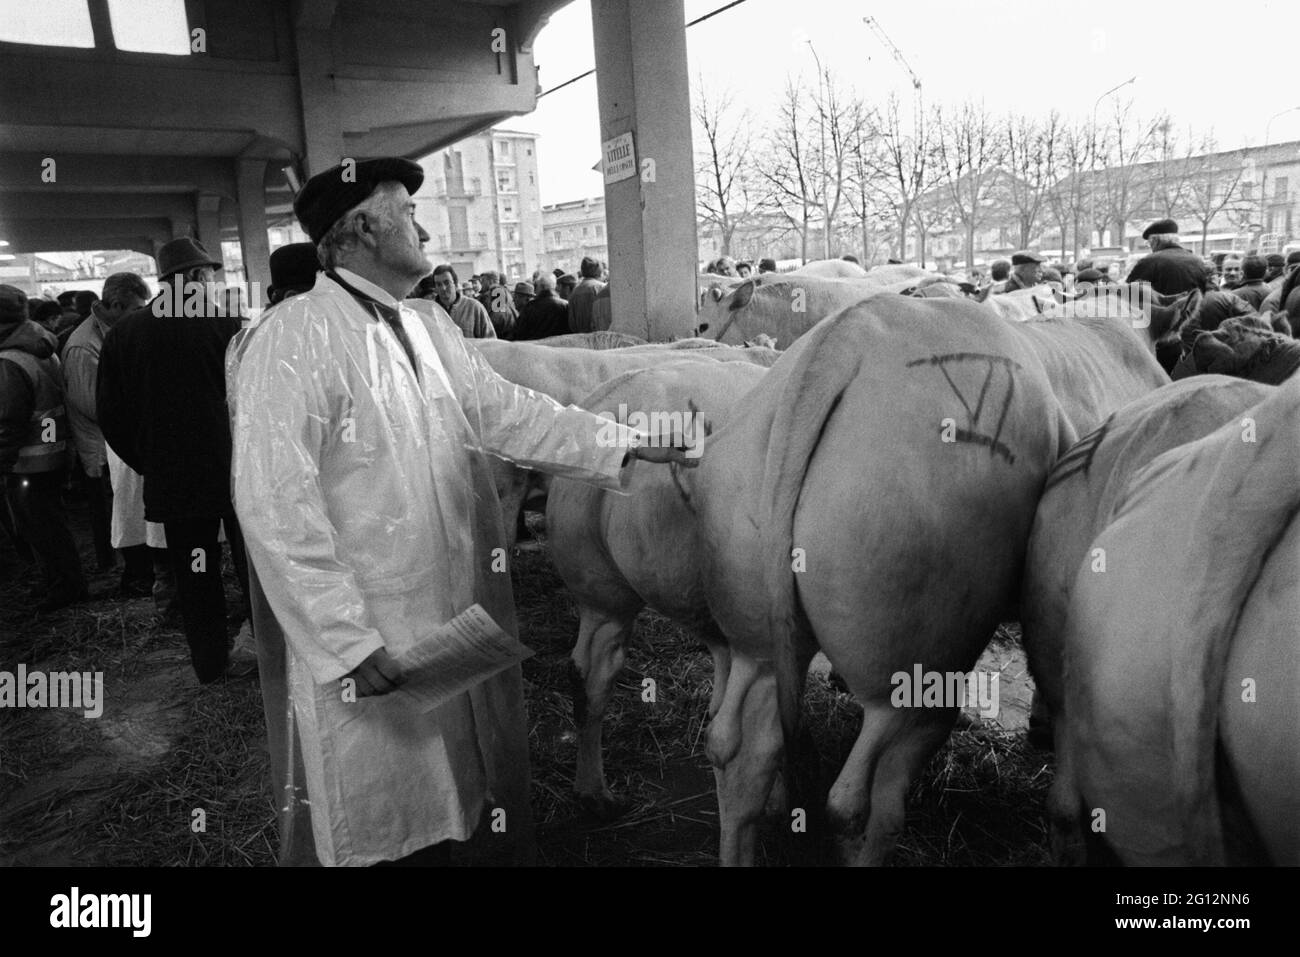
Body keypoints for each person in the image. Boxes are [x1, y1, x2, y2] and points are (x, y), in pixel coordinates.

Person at [229, 156, 693, 867]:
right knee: (384, 824)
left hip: (442, 622)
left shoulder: (426, 328)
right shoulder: (295, 337)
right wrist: (345, 638)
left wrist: (628, 445)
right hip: (369, 632)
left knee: (451, 805)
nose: (423, 226)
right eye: (406, 213)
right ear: (359, 229)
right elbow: (272, 501)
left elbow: (514, 415)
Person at [97, 237, 253, 683]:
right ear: (199, 277)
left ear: (164, 281)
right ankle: (268, 650)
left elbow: (111, 416)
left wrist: (151, 461)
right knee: (252, 565)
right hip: (235, 472)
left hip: (177, 481)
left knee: (196, 570)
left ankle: (209, 662)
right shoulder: (228, 328)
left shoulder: (125, 335)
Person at [0, 284, 87, 611]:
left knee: (41, 528)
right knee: (51, 524)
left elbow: (8, 421)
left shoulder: (9, 359)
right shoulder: (40, 347)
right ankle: (59, 580)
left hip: (28, 461)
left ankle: (65, 587)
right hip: (52, 452)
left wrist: (2, 462)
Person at [62, 272, 151, 574]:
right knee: (118, 514)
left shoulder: (112, 333)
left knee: (129, 510)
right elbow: (95, 405)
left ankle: (133, 569)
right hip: (102, 449)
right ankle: (125, 574)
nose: (140, 316)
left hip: (119, 444)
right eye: (136, 309)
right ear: (115, 304)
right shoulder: (84, 345)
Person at [1125, 220, 1210, 295]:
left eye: (1149, 243)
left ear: (1155, 240)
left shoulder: (1149, 262)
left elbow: (1129, 294)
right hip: (1194, 311)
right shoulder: (1198, 261)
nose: (1150, 246)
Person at [425, 264, 496, 339]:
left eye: (447, 283)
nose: (443, 288)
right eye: (439, 284)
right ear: (435, 288)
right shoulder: (429, 311)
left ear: (455, 284)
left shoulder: (474, 308)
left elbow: (490, 342)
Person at [514, 272, 570, 341]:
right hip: (558, 348)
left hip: (535, 349)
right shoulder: (565, 305)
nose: (535, 290)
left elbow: (519, 332)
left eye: (536, 286)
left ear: (542, 287)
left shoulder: (530, 307)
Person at [567, 256, 606, 333]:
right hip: (600, 336)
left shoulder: (575, 291)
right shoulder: (602, 287)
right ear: (599, 271)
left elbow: (572, 323)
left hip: (581, 338)